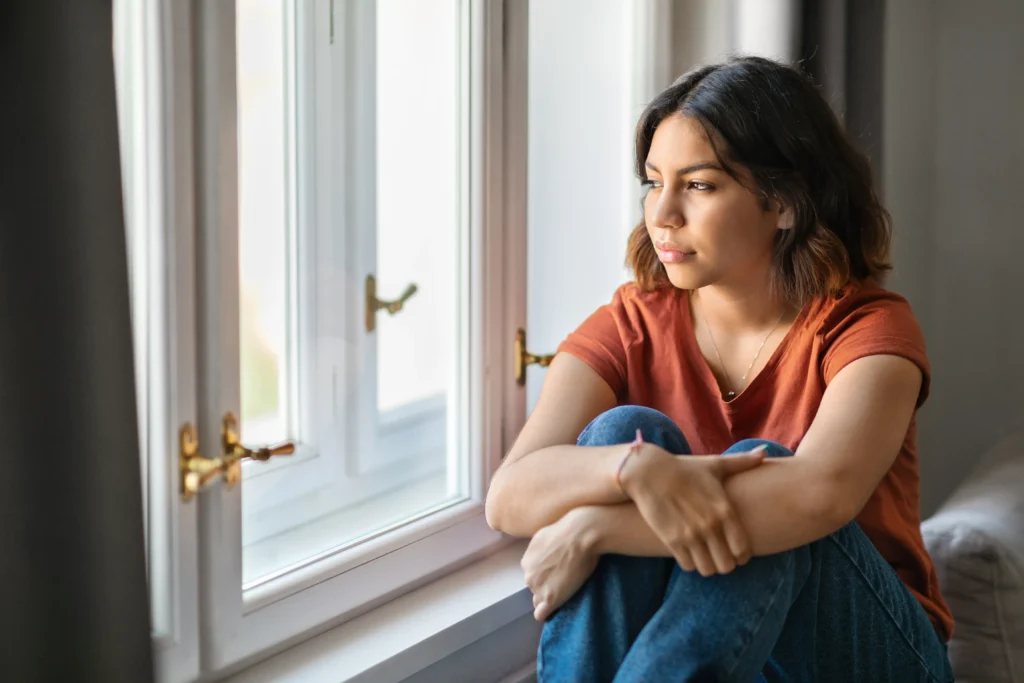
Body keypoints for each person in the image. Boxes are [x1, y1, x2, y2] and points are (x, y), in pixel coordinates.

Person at [484, 56, 955, 683]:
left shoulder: (868, 330)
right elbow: (510, 495)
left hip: (875, 655)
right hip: (734, 655)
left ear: (784, 203)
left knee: (775, 477)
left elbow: (818, 497)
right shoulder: (632, 324)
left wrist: (596, 526)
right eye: (654, 182)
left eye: (700, 185)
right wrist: (637, 469)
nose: (662, 214)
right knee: (621, 429)